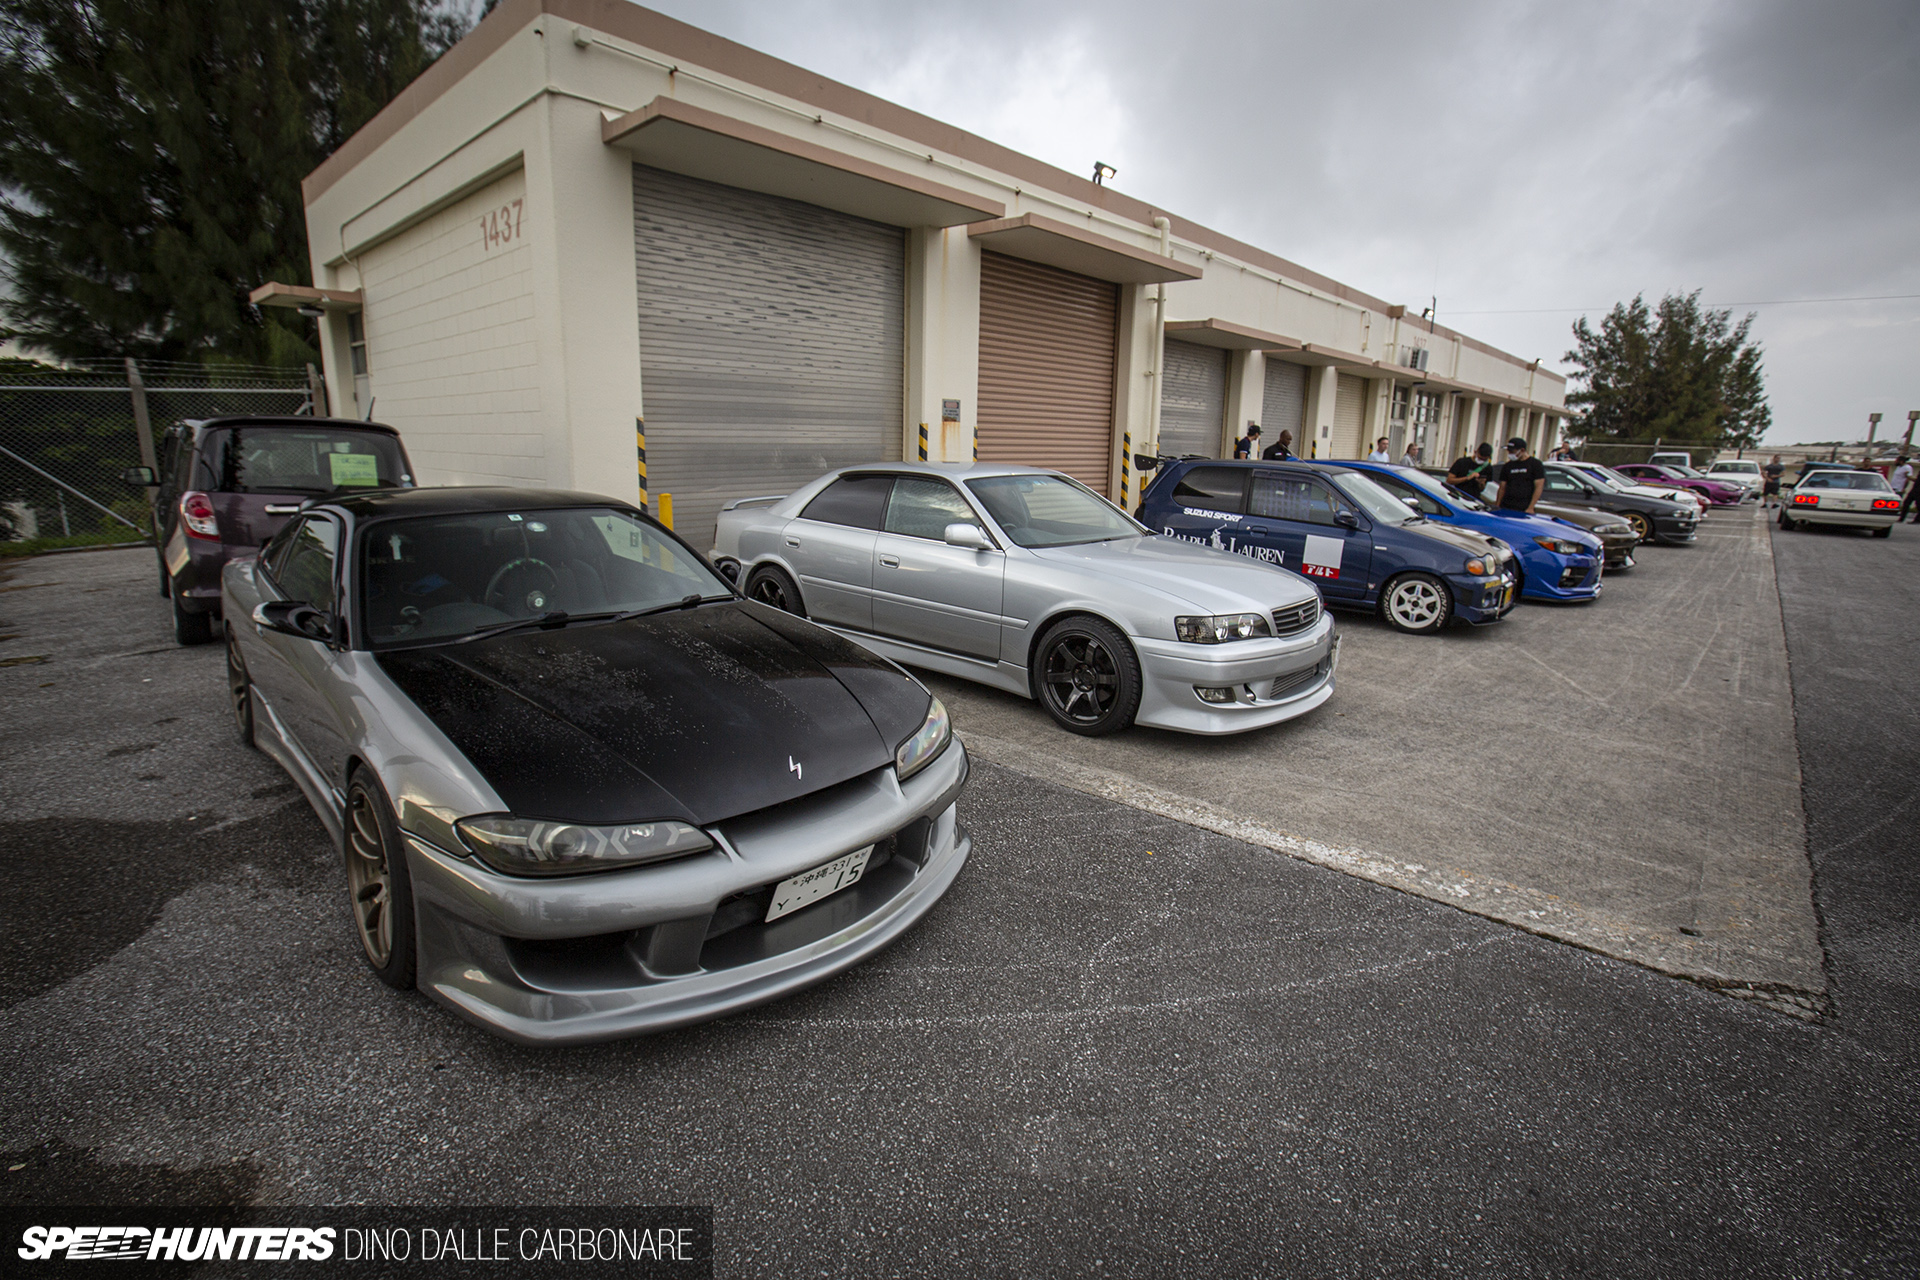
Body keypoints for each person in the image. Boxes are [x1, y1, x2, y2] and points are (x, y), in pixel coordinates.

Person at [1495, 436, 1545, 514]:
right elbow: (1502, 487)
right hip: (1506, 505)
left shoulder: (1535, 464)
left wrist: (1531, 507)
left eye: (1512, 451)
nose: (1510, 454)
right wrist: (1497, 505)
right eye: (1509, 451)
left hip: (1524, 506)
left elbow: (1538, 486)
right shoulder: (1508, 466)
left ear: (1522, 450)